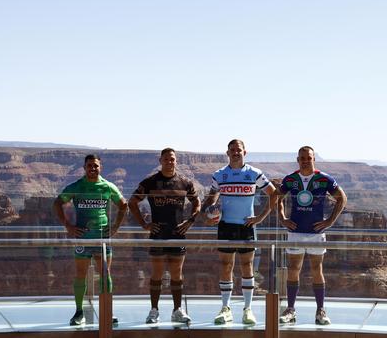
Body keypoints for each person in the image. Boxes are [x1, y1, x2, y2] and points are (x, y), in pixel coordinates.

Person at [201, 139, 276, 325]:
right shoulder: (219, 175)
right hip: (225, 225)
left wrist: (260, 218)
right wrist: (209, 214)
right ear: (227, 153)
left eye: (239, 150)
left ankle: (247, 309)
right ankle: (225, 308)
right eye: (232, 150)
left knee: (247, 267)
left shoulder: (254, 173)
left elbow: (274, 194)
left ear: (245, 152)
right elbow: (210, 200)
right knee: (226, 267)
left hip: (247, 227)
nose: (236, 153)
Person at [129, 148, 201, 324]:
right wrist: (144, 224)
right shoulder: (151, 182)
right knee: (157, 274)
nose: (170, 162)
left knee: (177, 274)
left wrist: (191, 220)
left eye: (173, 159)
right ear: (160, 161)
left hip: (178, 234)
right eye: (166, 159)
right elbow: (132, 202)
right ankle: (154, 311)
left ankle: (177, 310)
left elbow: (197, 202)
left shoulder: (185, 182)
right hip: (158, 234)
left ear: (176, 161)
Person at [53, 154, 128, 326]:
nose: (92, 168)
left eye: (95, 165)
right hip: (83, 239)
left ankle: (107, 311)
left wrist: (116, 227)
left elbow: (123, 205)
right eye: (89, 166)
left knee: (105, 274)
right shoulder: (78, 186)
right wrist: (68, 226)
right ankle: (79, 312)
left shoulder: (107, 186)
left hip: (102, 238)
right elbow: (57, 202)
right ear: (84, 167)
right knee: (80, 275)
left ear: (100, 167)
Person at [276, 145, 347, 325]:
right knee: (293, 269)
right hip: (295, 231)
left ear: (314, 159)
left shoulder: (323, 179)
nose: (305, 160)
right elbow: (276, 197)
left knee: (317, 270)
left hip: (316, 232)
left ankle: (320, 311)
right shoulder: (290, 179)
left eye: (308, 157)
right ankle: (291, 309)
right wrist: (282, 218)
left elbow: (342, 197)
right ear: (297, 160)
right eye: (302, 158)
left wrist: (330, 221)